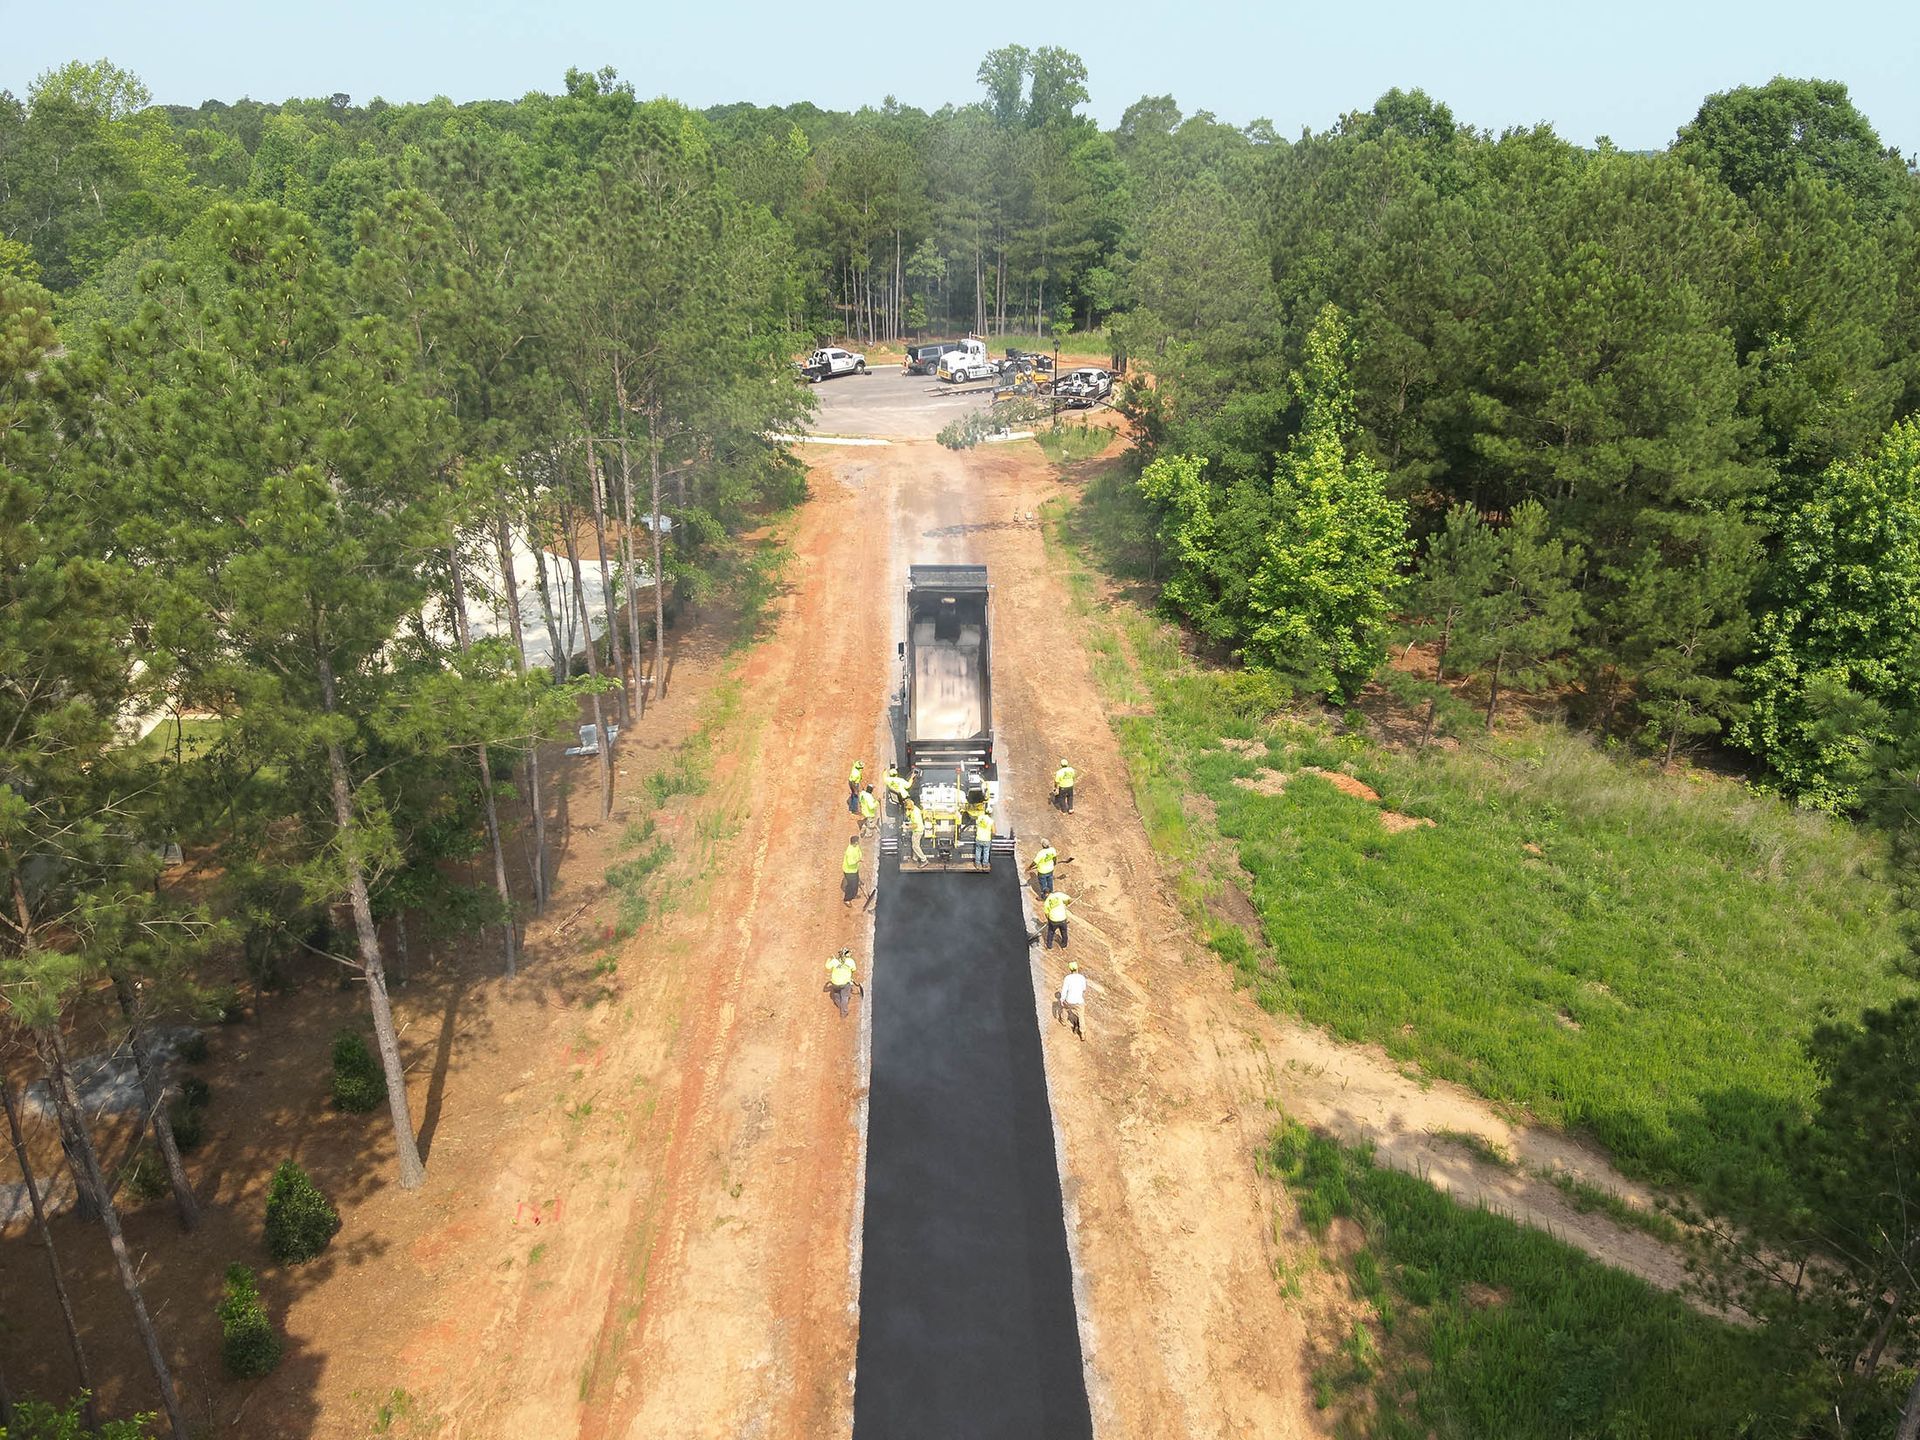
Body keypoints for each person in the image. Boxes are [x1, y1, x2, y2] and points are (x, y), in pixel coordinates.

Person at [825, 948, 864, 1018]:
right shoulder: (850, 961)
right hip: (845, 983)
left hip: (835, 983)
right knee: (844, 997)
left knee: (836, 995)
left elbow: (827, 967)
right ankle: (844, 1013)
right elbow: (854, 969)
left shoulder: (834, 961)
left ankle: (839, 1005)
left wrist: (829, 959)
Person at [1056, 960, 1086, 1039]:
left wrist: (1062, 1000)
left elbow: (1064, 990)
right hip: (1079, 1001)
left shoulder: (1067, 978)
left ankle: (1063, 1021)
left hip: (1069, 1000)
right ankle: (1082, 1033)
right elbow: (1084, 989)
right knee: (1081, 1016)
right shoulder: (1082, 978)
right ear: (1077, 968)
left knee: (1064, 1009)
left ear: (1070, 969)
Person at [841, 834, 863, 905]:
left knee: (856, 883)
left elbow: (859, 851)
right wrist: (858, 860)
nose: (859, 842)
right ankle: (847, 899)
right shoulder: (849, 851)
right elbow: (850, 862)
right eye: (858, 841)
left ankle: (853, 895)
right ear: (855, 842)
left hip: (855, 869)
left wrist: (860, 857)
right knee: (851, 885)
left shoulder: (856, 846)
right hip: (849, 871)